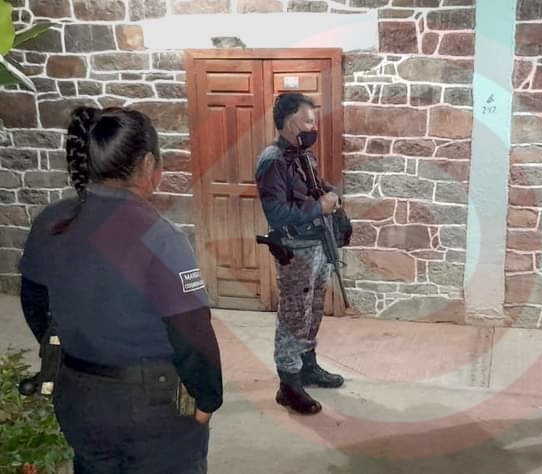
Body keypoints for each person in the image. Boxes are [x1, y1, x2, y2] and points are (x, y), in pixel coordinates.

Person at [19, 107, 223, 472]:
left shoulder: (52, 221)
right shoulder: (161, 237)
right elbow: (192, 332)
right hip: (152, 407)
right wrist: (208, 397)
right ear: (148, 164)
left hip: (78, 394)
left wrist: (72, 347)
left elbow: (34, 303)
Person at [255, 93, 344, 415]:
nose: (312, 127)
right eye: (307, 121)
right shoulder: (273, 160)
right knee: (294, 314)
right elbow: (277, 213)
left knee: (313, 308)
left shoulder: (303, 155)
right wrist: (319, 207)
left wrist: (330, 193)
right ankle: (288, 384)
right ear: (290, 121)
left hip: (316, 243)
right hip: (295, 251)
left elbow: (313, 186)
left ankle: (307, 366)